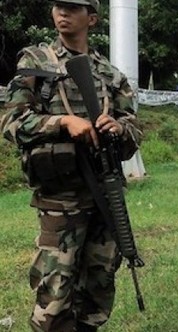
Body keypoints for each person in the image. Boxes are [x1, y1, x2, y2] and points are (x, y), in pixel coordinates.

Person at [0, 1, 143, 331]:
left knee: (99, 281)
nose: (62, 13)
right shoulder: (37, 61)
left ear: (91, 18)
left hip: (105, 194)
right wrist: (62, 122)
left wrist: (118, 129)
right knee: (55, 289)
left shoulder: (110, 74)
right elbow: (11, 122)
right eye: (58, 7)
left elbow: (135, 130)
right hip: (60, 198)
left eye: (73, 8)